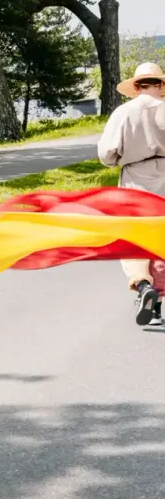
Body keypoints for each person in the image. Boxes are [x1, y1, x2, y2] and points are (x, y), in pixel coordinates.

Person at [98, 62, 165, 326]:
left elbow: (106, 154)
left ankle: (141, 285)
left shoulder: (124, 113)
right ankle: (157, 302)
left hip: (137, 179)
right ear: (161, 85)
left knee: (135, 238)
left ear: (136, 87)